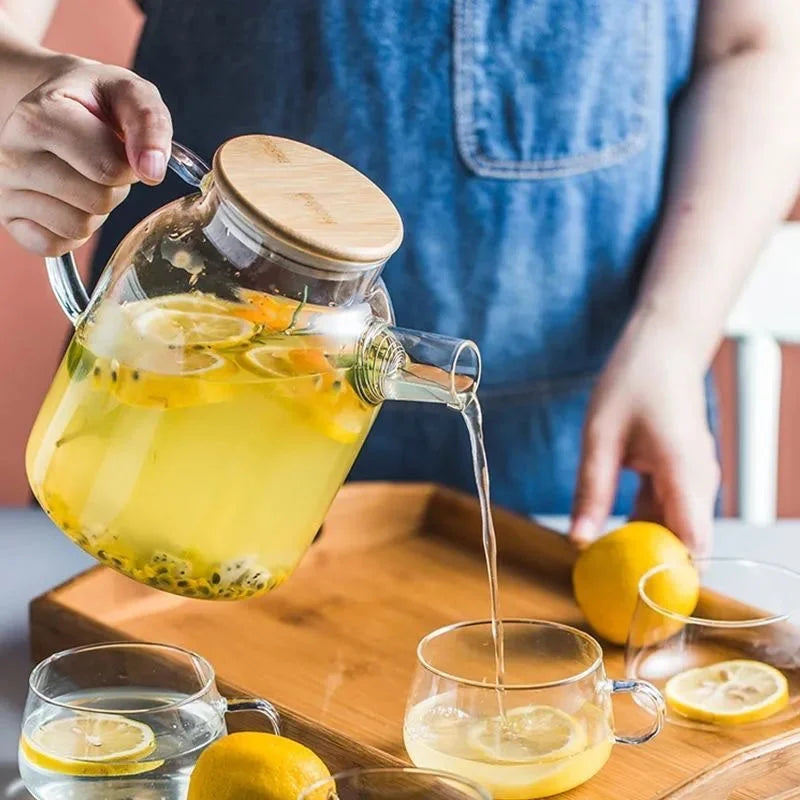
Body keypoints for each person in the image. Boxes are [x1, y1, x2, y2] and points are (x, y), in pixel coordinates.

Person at [1, 2, 799, 556]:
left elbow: (757, 44)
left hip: (576, 451)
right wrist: (18, 86)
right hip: (176, 423)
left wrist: (672, 340)